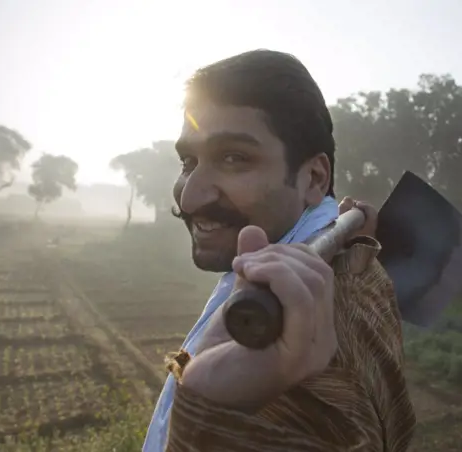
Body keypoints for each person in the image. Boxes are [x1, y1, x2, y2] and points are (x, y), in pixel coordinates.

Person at [142, 49, 415, 452]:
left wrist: (214, 416)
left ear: (314, 178)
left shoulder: (296, 344)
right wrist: (356, 242)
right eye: (188, 161)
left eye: (234, 158)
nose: (192, 196)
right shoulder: (354, 266)